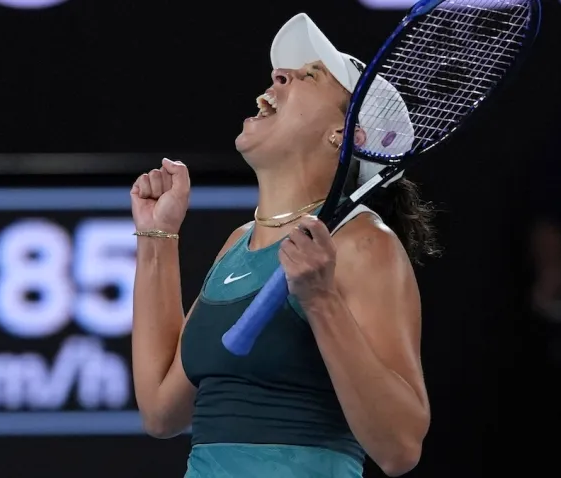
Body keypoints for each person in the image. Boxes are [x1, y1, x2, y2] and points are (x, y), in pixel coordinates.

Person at [131, 13, 437, 478]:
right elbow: (161, 411)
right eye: (282, 72)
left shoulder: (363, 245)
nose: (276, 76)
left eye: (308, 75)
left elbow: (400, 447)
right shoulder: (238, 245)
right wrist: (158, 237)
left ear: (345, 135)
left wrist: (320, 300)